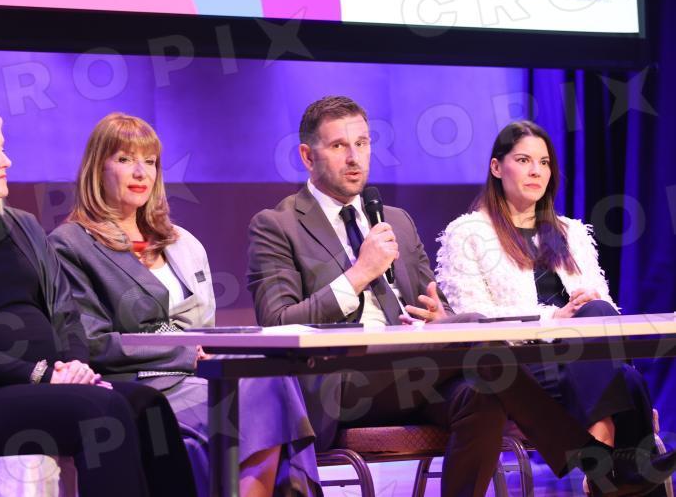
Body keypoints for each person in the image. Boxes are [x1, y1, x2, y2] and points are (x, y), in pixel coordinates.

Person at [246, 96, 676, 497]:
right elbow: (277, 321)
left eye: (362, 143)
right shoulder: (276, 225)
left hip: (414, 369)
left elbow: (436, 305)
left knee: (483, 393)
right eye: (339, 146)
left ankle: (598, 461)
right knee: (482, 337)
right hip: (344, 381)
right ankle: (598, 462)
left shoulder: (395, 219)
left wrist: (440, 315)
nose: (355, 157)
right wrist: (359, 274)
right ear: (308, 156)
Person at [0, 103, 195, 497]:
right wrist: (40, 375)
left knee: (147, 406)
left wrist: (75, 365)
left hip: (51, 381)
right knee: (101, 412)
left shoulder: (23, 227)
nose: (7, 160)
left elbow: (66, 314)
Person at [48, 112, 321, 497]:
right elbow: (92, 342)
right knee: (262, 391)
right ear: (98, 168)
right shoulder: (71, 243)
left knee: (270, 372)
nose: (140, 172)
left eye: (150, 162)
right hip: (140, 384)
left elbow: (203, 327)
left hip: (199, 373)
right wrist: (182, 352)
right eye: (125, 159)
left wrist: (212, 349)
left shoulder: (178, 241)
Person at [435, 119, 671, 495]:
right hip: (520, 367)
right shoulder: (468, 233)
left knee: (604, 327)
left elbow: (604, 311)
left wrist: (591, 301)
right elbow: (473, 318)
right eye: (524, 160)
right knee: (626, 383)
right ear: (496, 167)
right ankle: (607, 458)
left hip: (582, 362)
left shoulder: (571, 233)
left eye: (544, 163)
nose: (536, 171)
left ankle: (605, 460)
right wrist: (552, 319)